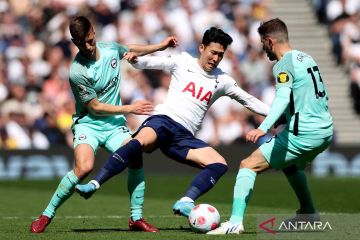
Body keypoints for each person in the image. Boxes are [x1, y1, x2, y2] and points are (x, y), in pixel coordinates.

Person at [75, 27, 270, 217]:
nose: (215, 58)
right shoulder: (182, 61)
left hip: (184, 137)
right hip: (163, 121)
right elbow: (150, 63)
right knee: (138, 143)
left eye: (220, 54)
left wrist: (276, 115)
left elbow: (249, 100)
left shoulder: (223, 80)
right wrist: (136, 60)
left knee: (219, 164)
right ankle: (95, 183)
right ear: (202, 48)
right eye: (213, 52)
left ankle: (186, 201)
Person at [30, 16, 178, 233]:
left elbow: (130, 48)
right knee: (84, 168)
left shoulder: (110, 49)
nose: (88, 46)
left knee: (136, 155)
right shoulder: (77, 71)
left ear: (94, 32)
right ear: (74, 42)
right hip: (88, 124)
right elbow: (95, 107)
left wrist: (161, 45)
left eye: (90, 40)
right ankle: (46, 214)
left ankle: (136, 218)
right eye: (82, 43)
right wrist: (130, 108)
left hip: (114, 125)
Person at [207, 18, 334, 235]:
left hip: (303, 133)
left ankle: (235, 223)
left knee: (248, 165)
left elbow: (283, 98)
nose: (263, 50)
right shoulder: (306, 58)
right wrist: (284, 119)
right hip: (325, 130)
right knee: (290, 165)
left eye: (263, 44)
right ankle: (308, 212)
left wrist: (263, 127)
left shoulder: (283, 64)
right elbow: (310, 96)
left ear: (270, 41)